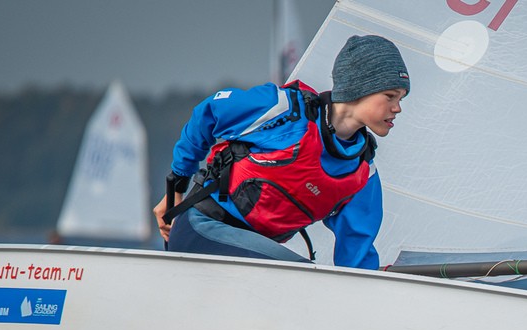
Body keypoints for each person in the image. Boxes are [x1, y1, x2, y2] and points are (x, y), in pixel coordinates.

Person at [153, 34, 410, 269]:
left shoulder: (361, 175)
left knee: (308, 278)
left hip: (254, 259)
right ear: (359, 88)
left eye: (400, 99)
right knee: (303, 275)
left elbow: (357, 261)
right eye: (390, 96)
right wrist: (175, 189)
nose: (397, 108)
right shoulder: (283, 111)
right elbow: (208, 113)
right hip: (203, 229)